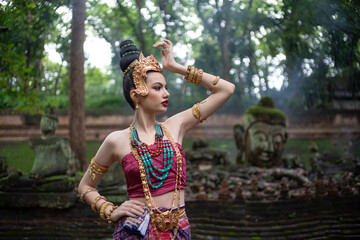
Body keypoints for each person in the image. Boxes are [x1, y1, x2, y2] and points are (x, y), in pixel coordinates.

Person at [78, 39, 235, 239]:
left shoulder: (175, 126)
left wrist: (174, 66)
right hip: (137, 231)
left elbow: (226, 89)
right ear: (136, 95)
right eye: (158, 88)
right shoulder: (116, 141)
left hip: (178, 230)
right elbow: (85, 186)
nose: (166, 93)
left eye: (165, 87)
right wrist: (109, 211)